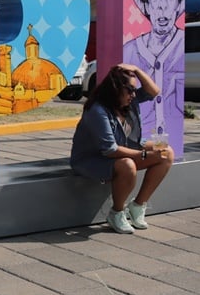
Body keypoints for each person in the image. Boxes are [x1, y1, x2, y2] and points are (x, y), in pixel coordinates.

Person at [70, 63, 174, 233]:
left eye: (134, 90)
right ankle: (116, 213)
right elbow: (110, 149)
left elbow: (154, 91)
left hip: (127, 147)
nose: (133, 94)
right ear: (115, 89)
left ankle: (138, 206)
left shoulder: (127, 102)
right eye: (129, 90)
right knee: (128, 165)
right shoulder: (98, 110)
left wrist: (137, 71)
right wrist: (143, 154)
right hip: (92, 159)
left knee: (166, 152)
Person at [122, 0, 185, 140]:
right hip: (139, 144)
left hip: (171, 144)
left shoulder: (183, 45)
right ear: (146, 1)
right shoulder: (129, 51)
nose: (163, 5)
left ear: (179, 2)